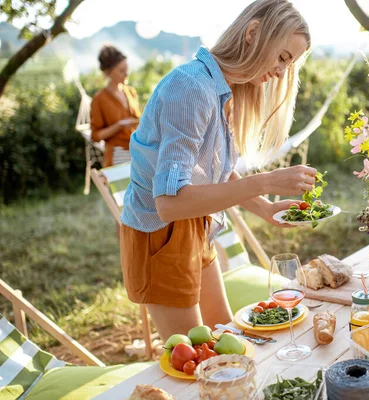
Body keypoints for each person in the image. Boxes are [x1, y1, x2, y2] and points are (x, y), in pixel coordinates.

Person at [119, 0, 313, 341]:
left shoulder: (224, 89)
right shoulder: (191, 87)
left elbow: (214, 172)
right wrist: (265, 181)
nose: (282, 72)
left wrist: (265, 207)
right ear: (253, 33)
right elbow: (170, 202)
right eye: (283, 57)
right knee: (197, 362)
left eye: (290, 64)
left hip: (197, 223)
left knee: (228, 337)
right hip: (162, 234)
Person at [90, 45, 141, 167]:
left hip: (138, 152)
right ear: (108, 72)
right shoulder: (99, 99)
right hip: (118, 155)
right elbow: (96, 136)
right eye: (121, 71)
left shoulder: (131, 92)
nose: (126, 74)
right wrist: (118, 126)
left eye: (126, 69)